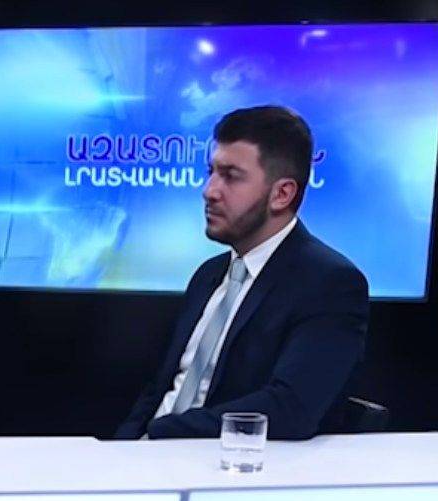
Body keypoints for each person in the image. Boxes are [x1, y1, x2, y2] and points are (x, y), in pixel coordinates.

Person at [113, 105, 368, 442]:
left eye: (231, 176)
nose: (209, 190)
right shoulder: (208, 275)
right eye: (211, 172)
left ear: (282, 194)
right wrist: (124, 448)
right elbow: (161, 389)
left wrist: (163, 435)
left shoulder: (329, 283)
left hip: (225, 462)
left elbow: (290, 408)